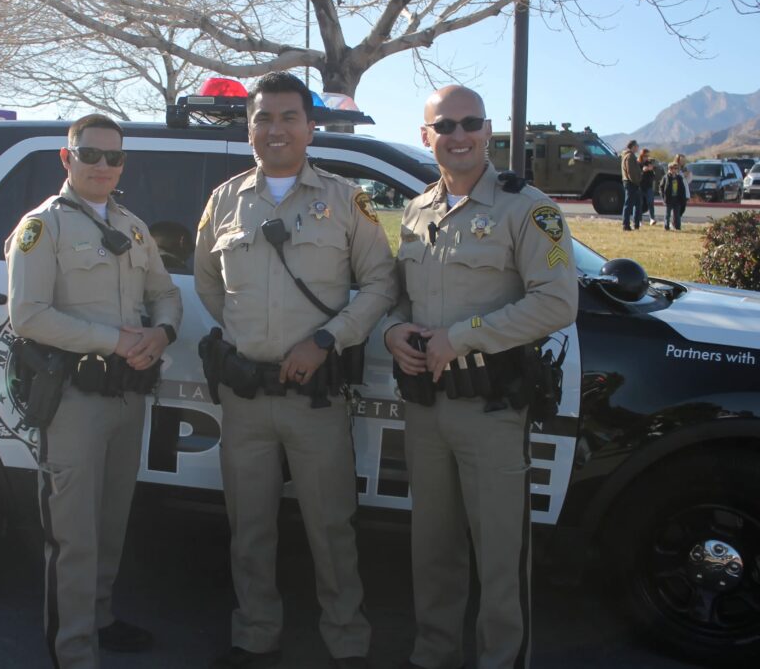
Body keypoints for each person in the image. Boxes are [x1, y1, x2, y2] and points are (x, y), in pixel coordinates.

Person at [194, 71, 397, 669]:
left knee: (331, 528)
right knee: (248, 528)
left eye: (289, 117)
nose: (276, 128)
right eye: (264, 118)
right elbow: (208, 280)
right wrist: (242, 333)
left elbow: (381, 281)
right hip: (246, 396)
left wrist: (328, 339)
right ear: (249, 126)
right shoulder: (225, 200)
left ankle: (347, 642)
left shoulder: (344, 199)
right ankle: (256, 634)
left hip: (316, 399)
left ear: (311, 126)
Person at [383, 85, 578, 669]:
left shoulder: (527, 208)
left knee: (499, 557)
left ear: (488, 130)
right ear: (427, 136)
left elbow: (557, 302)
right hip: (425, 407)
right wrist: (394, 334)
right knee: (432, 549)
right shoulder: (417, 213)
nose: (458, 135)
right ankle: (433, 655)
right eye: (445, 125)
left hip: (491, 409)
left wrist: (460, 336)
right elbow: (399, 302)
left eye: (470, 123)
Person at [6, 113, 182, 669]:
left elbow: (166, 293)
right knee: (73, 534)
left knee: (112, 519)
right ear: (67, 158)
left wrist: (161, 332)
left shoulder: (133, 226)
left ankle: (99, 617)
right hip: (75, 400)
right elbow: (28, 315)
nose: (103, 165)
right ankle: (73, 651)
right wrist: (115, 340)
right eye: (91, 154)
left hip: (127, 396)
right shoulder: (43, 227)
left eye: (114, 157)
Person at [620, 139, 643, 230]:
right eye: (637, 146)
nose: (638, 148)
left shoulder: (630, 156)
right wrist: (636, 181)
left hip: (632, 182)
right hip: (631, 183)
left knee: (637, 203)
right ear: (633, 146)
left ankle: (636, 224)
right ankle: (626, 224)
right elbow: (631, 172)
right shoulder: (629, 156)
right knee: (628, 204)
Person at [659, 161, 687, 230]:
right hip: (669, 199)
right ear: (669, 169)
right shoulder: (666, 178)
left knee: (677, 214)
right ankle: (666, 226)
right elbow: (661, 187)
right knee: (667, 214)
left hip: (677, 198)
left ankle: (677, 227)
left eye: (675, 168)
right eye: (672, 168)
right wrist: (663, 197)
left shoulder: (679, 178)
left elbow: (682, 188)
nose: (674, 170)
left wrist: (683, 198)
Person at [639, 148, 657, 226]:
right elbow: (636, 174)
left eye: (648, 156)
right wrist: (643, 171)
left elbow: (653, 176)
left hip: (648, 186)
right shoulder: (638, 163)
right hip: (640, 186)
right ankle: (639, 220)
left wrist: (651, 169)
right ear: (642, 155)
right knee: (639, 203)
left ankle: (652, 219)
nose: (646, 157)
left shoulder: (649, 163)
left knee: (650, 202)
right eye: (645, 156)